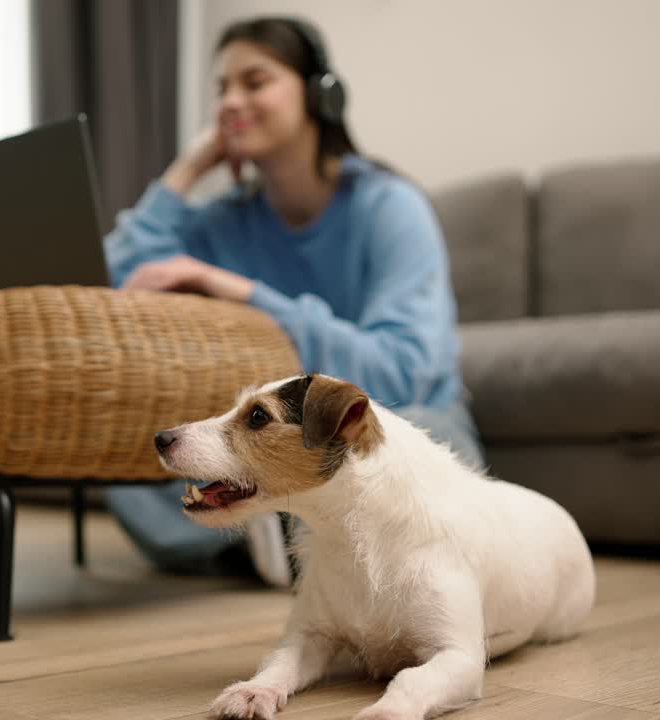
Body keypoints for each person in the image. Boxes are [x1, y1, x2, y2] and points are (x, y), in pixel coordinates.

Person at [102, 16, 483, 586]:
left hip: (393, 418)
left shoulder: (390, 207)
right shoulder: (229, 220)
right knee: (130, 473)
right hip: (270, 443)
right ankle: (290, 537)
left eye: (254, 83)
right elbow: (109, 280)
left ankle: (276, 536)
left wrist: (239, 291)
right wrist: (190, 167)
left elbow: (403, 371)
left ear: (318, 93)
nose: (231, 102)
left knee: (420, 441)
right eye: (221, 89)